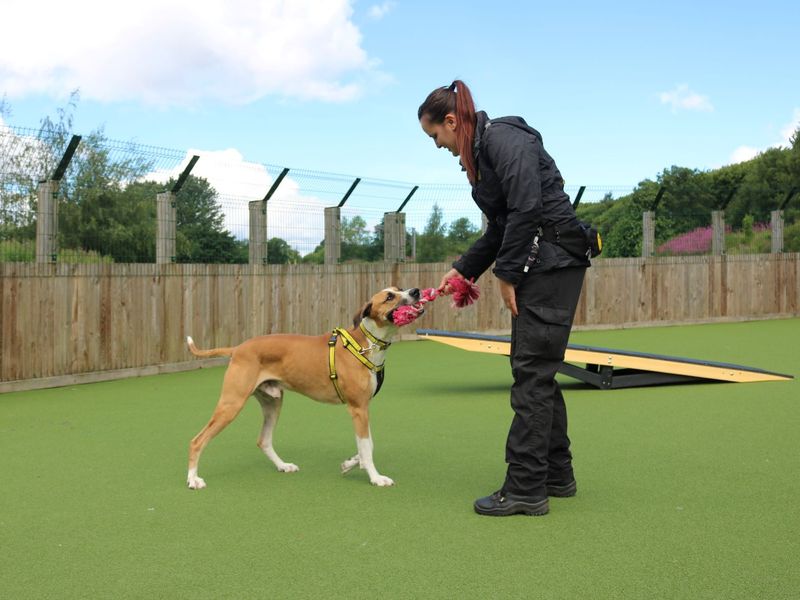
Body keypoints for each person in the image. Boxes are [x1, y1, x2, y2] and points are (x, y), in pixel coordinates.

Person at [418, 80, 590, 516]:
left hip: (551, 263)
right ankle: (556, 475)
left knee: (530, 374)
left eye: (435, 136)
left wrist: (507, 274)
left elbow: (528, 208)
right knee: (537, 370)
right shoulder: (484, 153)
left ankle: (526, 489)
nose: (438, 146)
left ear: (453, 122)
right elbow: (500, 227)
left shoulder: (504, 138)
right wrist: (465, 267)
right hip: (546, 262)